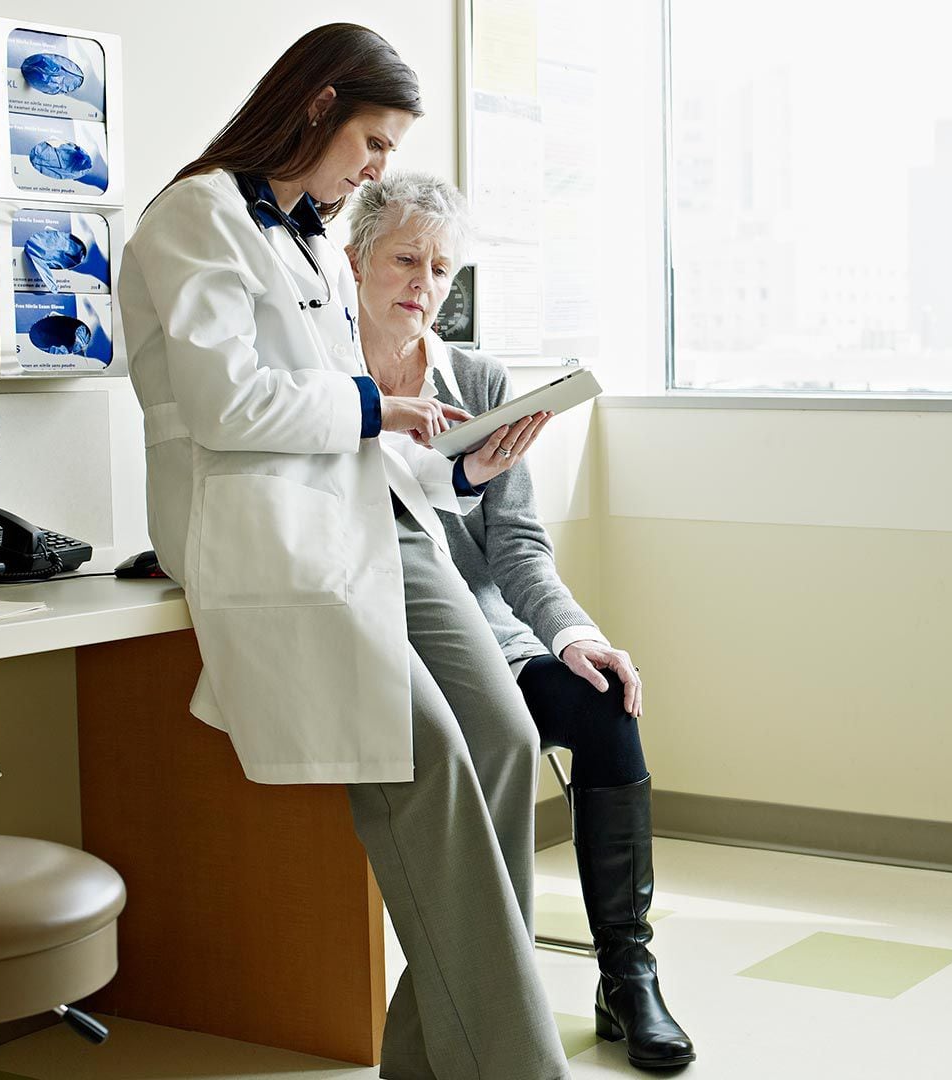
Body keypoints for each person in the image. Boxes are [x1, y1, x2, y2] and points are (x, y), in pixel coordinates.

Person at [118, 25, 571, 1079]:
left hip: (380, 516)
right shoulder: (195, 216)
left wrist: (463, 469)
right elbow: (231, 406)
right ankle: (516, 1065)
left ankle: (431, 1056)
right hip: (269, 532)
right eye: (374, 142)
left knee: (505, 739)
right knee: (426, 759)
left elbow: (348, 429)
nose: (376, 169)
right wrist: (379, 405)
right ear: (317, 105)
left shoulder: (310, 240)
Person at [345, 172, 695, 1070]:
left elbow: (518, 546)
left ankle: (628, 975)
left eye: (440, 268)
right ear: (354, 260)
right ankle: (493, 1015)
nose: (423, 284)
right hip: (387, 637)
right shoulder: (326, 380)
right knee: (485, 748)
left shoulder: (477, 379)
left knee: (606, 698)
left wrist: (576, 635)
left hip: (491, 638)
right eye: (405, 259)